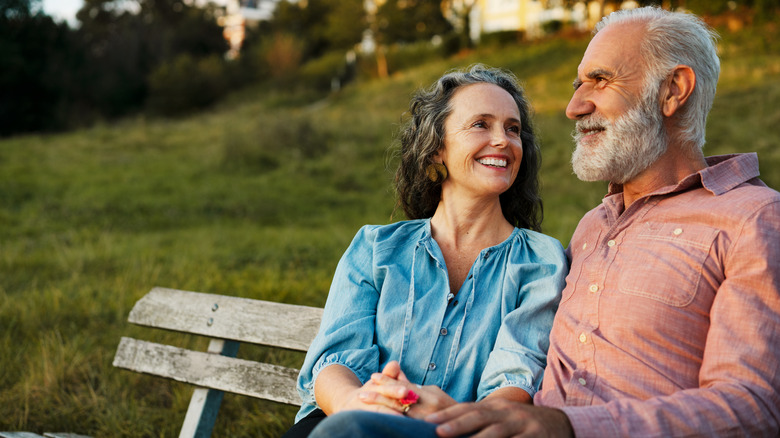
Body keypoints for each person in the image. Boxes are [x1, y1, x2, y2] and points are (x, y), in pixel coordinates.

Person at [307, 6, 780, 438]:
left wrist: (564, 425)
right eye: (578, 85)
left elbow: (752, 406)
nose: (574, 107)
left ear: (673, 90)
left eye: (600, 80)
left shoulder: (752, 220)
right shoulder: (594, 228)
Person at [281, 64, 569, 437]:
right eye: (481, 124)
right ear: (436, 149)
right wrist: (358, 406)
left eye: (512, 129)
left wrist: (425, 410)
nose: (504, 140)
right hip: (343, 421)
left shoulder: (541, 261)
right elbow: (334, 363)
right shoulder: (375, 248)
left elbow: (514, 382)